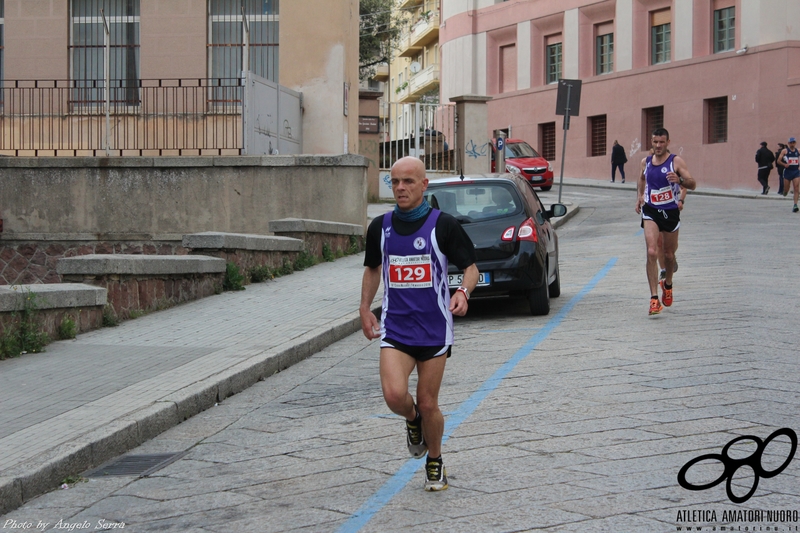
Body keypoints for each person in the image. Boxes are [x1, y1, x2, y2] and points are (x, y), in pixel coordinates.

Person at [359, 156, 479, 491]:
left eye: (408, 181)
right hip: (396, 327)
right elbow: (372, 268)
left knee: (429, 403)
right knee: (395, 396)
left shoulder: (444, 226)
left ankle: (435, 459)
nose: (400, 188)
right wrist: (365, 307)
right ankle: (412, 421)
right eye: (395, 181)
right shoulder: (379, 227)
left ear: (424, 185)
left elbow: (471, 268)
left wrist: (463, 292)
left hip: (433, 329)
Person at [635, 128, 697, 315]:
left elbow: (692, 183)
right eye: (655, 142)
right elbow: (641, 180)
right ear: (651, 142)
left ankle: (667, 285)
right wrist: (639, 196)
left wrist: (679, 180)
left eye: (662, 142)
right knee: (652, 250)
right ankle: (654, 299)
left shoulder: (675, 161)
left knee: (669, 254)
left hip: (670, 211)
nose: (658, 145)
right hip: (651, 210)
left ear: (668, 142)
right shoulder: (645, 162)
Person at [658, 185, 687, 280]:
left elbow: (684, 188)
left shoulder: (674, 171)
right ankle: (663, 271)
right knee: (659, 242)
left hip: (671, 210)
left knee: (670, 246)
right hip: (654, 209)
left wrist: (681, 200)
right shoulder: (650, 170)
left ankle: (671, 255)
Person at [777, 137, 800, 212]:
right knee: (786, 188)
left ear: (795, 143)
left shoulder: (798, 151)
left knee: (796, 187)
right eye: (791, 143)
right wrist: (784, 164)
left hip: (796, 171)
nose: (792, 144)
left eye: (793, 142)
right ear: (788, 143)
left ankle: (795, 205)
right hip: (788, 171)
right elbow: (778, 161)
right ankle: (785, 192)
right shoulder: (785, 151)